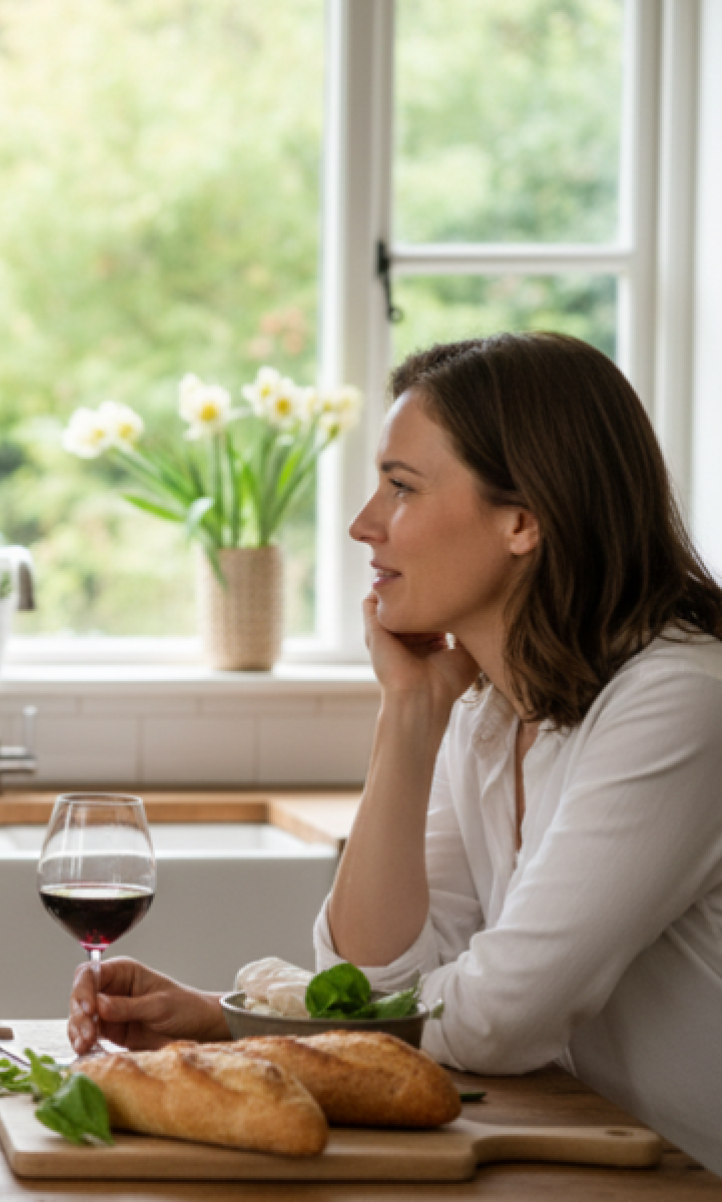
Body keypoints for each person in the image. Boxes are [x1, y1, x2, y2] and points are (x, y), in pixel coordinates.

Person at [67, 332, 722, 1170]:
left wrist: (258, 1018)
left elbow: (497, 1020)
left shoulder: (679, 702)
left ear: (524, 520)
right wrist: (407, 713)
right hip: (613, 1162)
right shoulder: (489, 710)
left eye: (401, 487)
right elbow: (372, 980)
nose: (362, 524)